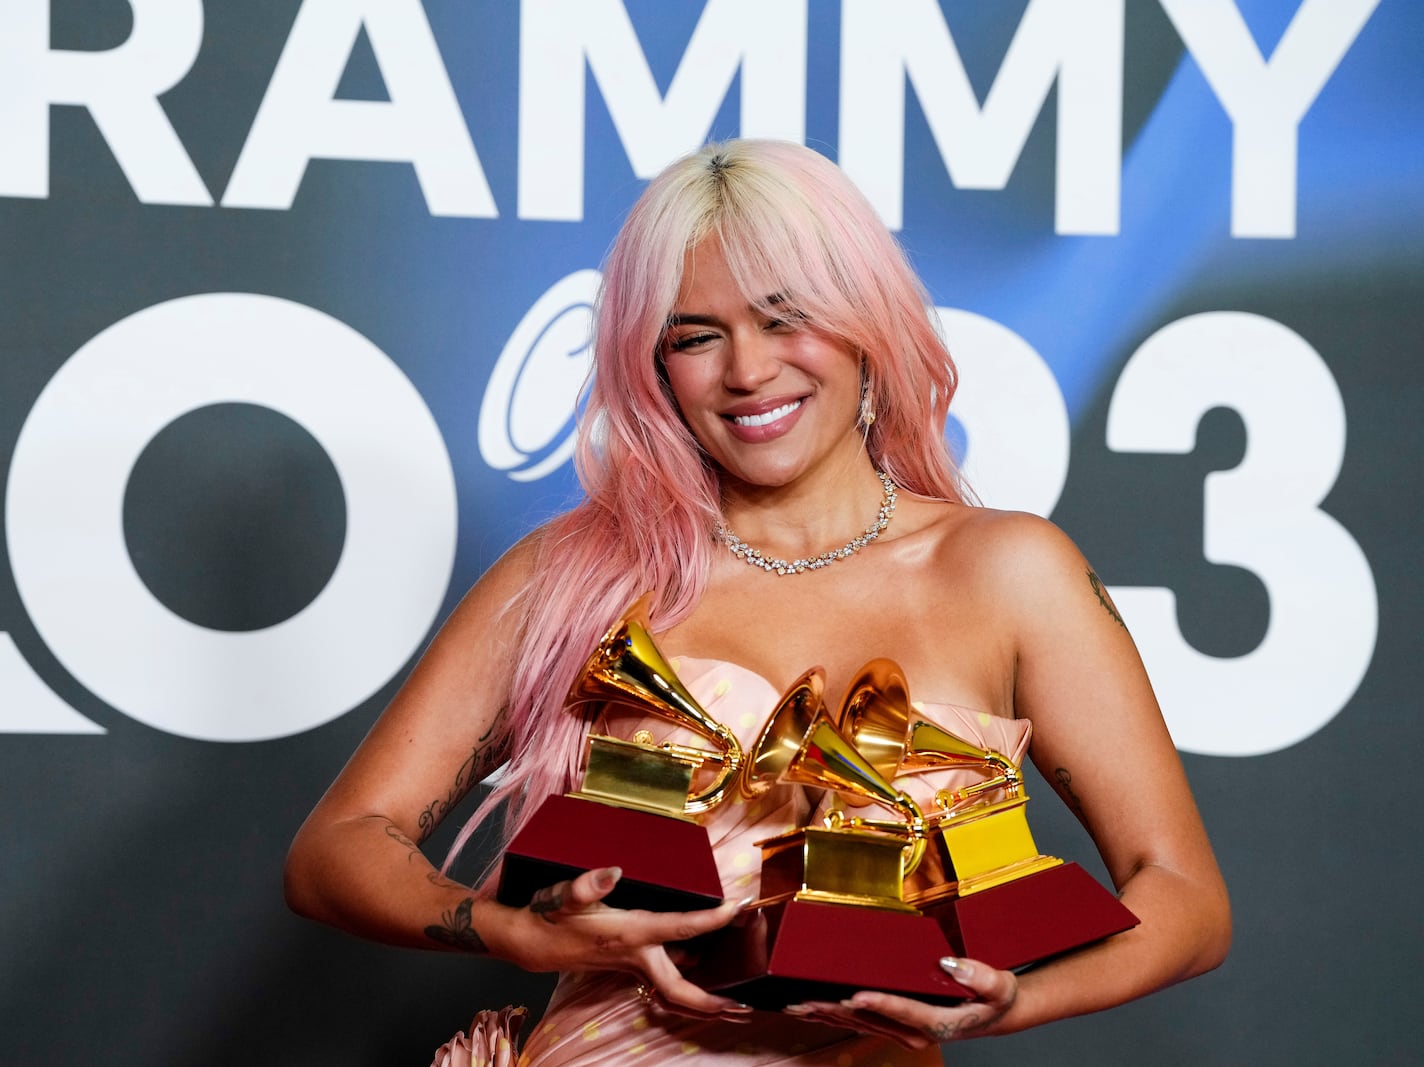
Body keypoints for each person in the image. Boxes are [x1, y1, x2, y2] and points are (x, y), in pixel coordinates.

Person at [283, 139, 1230, 1065]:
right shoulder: (573, 575)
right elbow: (336, 848)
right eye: (695, 335)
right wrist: (507, 929)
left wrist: (1016, 1002)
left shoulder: (1009, 570)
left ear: (869, 321)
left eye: (786, 319)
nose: (746, 371)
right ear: (653, 366)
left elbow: (1184, 896)